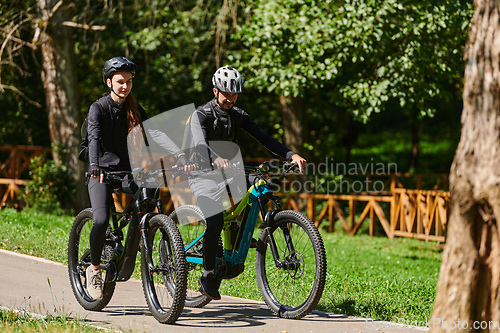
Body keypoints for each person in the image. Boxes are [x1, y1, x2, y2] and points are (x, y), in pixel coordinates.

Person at [188, 65, 306, 300]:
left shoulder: (238, 115)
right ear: (215, 91)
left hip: (228, 172)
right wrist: (216, 158)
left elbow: (264, 137)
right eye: (226, 93)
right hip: (202, 173)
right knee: (214, 221)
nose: (231, 98)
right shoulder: (201, 115)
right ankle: (208, 274)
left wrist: (290, 154)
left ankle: (241, 232)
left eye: (235, 94)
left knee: (260, 186)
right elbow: (200, 145)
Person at [85, 56, 193, 300]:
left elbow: (154, 132)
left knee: (149, 194)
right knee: (101, 219)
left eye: (129, 82)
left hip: (125, 171)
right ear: (108, 82)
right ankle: (94, 269)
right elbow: (93, 137)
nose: (125, 86)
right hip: (101, 171)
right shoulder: (98, 108)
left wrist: (179, 154)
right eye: (120, 81)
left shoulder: (133, 108)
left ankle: (142, 242)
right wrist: (94, 165)